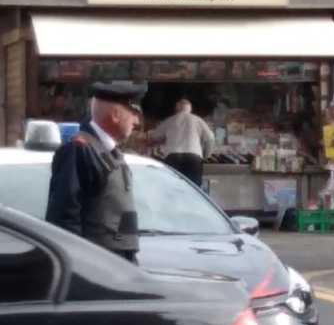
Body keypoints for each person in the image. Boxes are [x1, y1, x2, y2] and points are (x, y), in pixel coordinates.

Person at [45, 81, 147, 263]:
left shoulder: (109, 152)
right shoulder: (80, 150)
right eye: (133, 113)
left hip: (117, 264)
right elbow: (64, 219)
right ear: (116, 115)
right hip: (98, 267)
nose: (137, 121)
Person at [149, 98, 215, 187]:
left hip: (173, 157)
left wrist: (163, 141)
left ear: (176, 109)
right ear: (190, 109)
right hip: (193, 157)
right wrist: (206, 155)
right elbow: (210, 138)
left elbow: (155, 136)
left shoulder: (170, 120)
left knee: (173, 187)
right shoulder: (198, 120)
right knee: (193, 188)